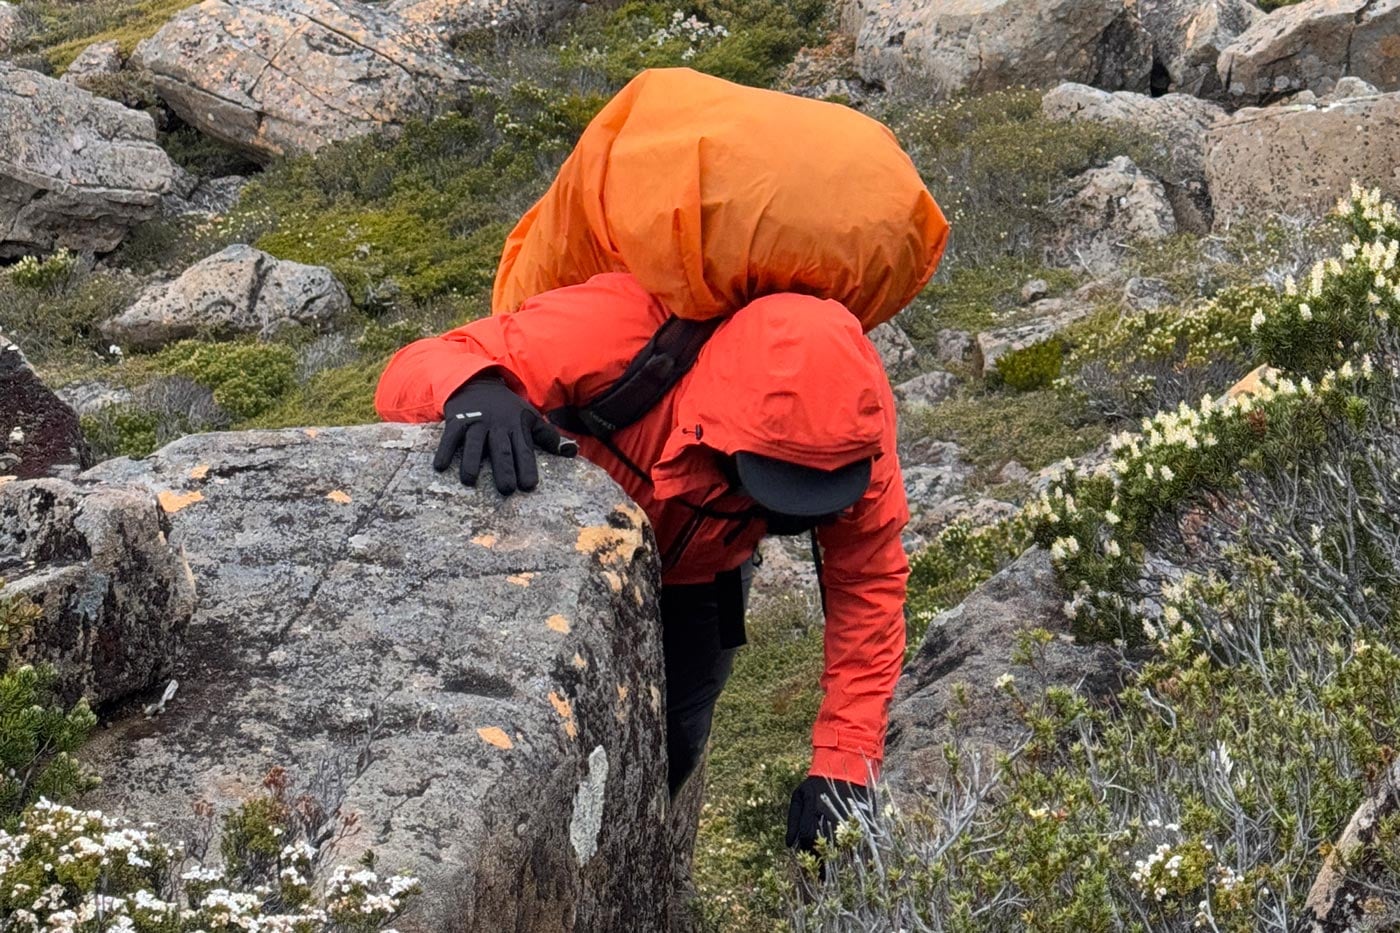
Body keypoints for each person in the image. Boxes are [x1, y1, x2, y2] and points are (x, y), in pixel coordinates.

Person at [375, 271, 908, 854]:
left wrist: (846, 764)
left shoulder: (853, 421)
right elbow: (415, 366)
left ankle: (622, 876)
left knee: (673, 746)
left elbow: (869, 581)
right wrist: (471, 389)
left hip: (706, 579)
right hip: (561, 569)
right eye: (770, 483)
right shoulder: (616, 328)